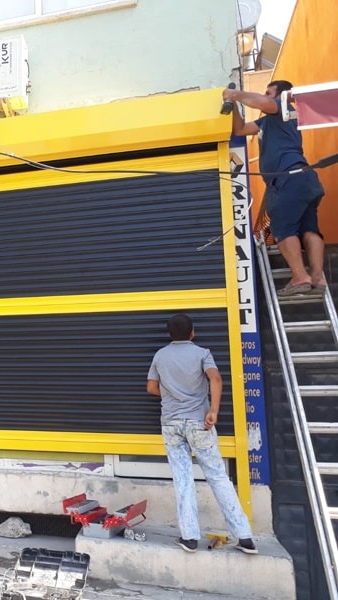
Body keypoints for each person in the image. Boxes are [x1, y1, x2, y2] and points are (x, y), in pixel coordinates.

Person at [146, 313, 258, 555]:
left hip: (171, 424)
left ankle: (189, 538)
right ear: (192, 332)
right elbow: (215, 379)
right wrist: (213, 411)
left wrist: (173, 395)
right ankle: (245, 537)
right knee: (217, 476)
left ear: (170, 334)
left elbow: (151, 387)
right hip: (200, 423)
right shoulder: (202, 353)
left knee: (183, 479)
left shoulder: (160, 355)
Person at [223, 80, 327, 297]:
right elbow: (240, 129)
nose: (265, 96)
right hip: (304, 179)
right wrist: (234, 105)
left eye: (268, 93)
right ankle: (317, 278)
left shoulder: (283, 108)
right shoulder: (267, 122)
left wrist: (234, 94)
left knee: (283, 229)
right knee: (309, 230)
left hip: (288, 178)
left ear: (282, 95)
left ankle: (300, 277)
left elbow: (263, 103)